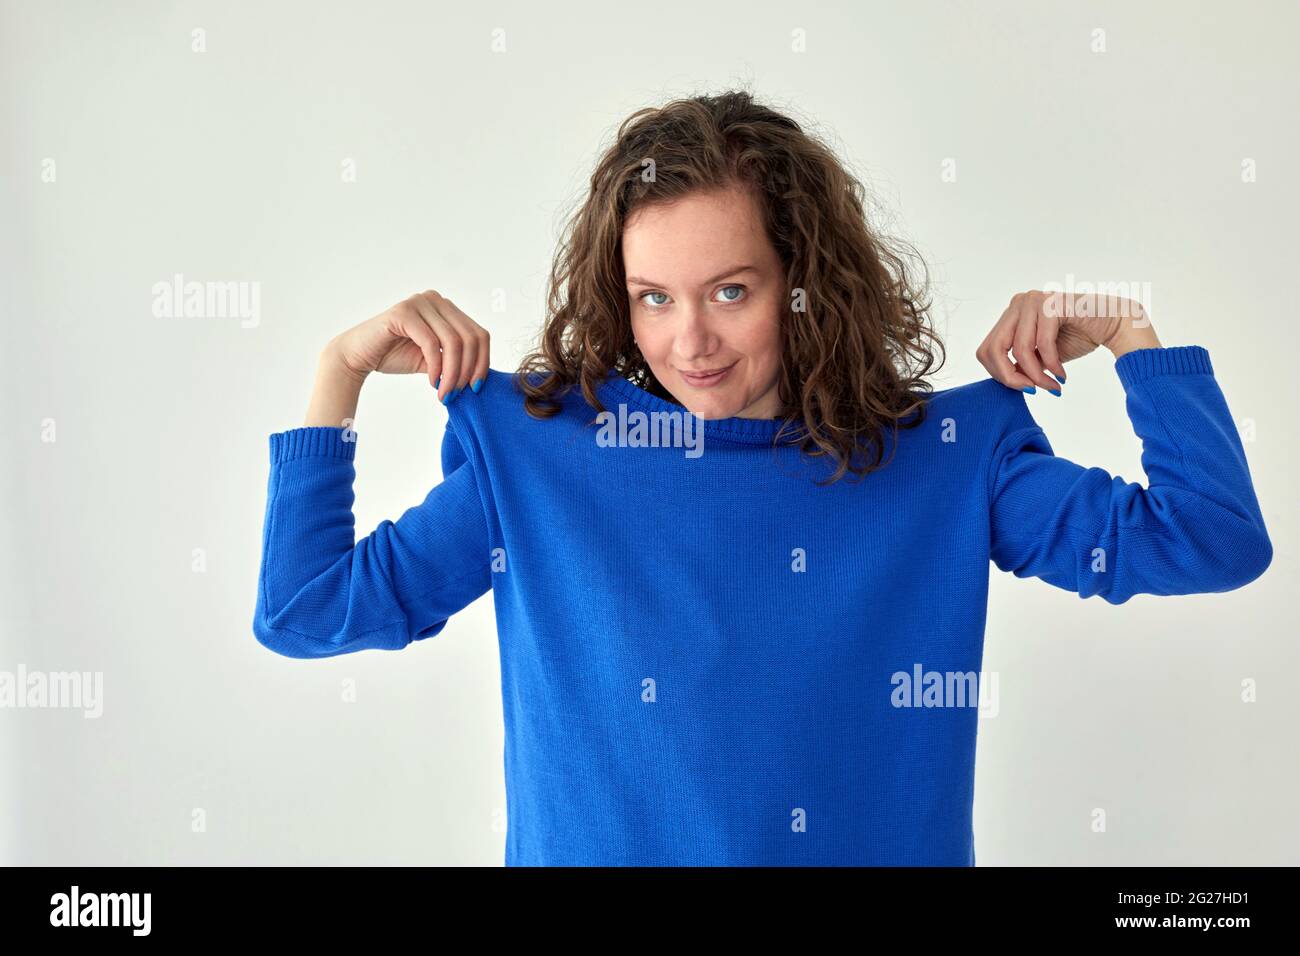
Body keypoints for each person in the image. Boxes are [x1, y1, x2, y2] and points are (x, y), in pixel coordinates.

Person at [252, 91, 1272, 866]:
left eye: (729, 290)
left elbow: (1212, 537)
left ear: (804, 282)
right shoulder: (536, 456)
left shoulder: (947, 459)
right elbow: (305, 611)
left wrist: (1131, 332)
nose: (686, 339)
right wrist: (335, 372)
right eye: (651, 296)